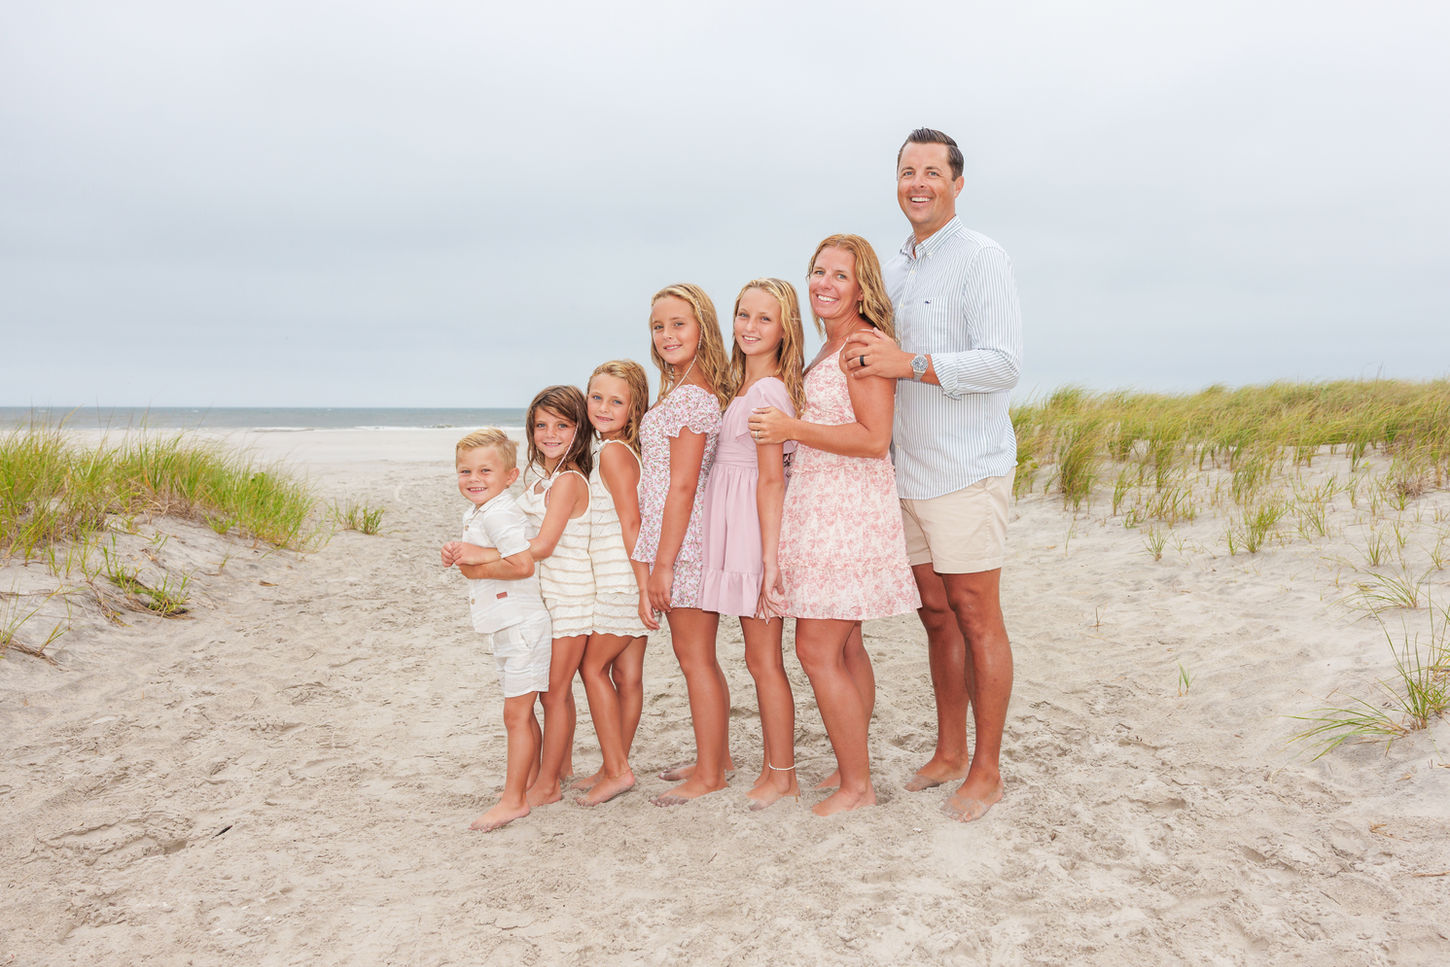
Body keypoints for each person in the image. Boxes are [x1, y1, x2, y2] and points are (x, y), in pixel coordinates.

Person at [844, 127, 1023, 823]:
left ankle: (987, 769)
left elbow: (1003, 363)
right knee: (935, 614)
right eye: (907, 172)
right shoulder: (892, 269)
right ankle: (950, 751)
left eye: (932, 172)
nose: (918, 183)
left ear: (956, 183)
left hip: (966, 469)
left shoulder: (982, 258)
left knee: (976, 615)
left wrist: (910, 363)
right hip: (905, 472)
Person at [749, 235, 919, 817]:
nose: (824, 283)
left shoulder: (862, 345)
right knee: (845, 647)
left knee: (816, 647)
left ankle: (858, 786)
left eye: (839, 275)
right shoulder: (829, 346)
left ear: (862, 287)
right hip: (823, 505)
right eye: (818, 271)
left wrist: (791, 429)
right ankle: (853, 766)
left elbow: (874, 439)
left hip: (847, 509)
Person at [698, 278, 806, 810]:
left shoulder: (768, 392)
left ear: (785, 329)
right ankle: (769, 767)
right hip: (732, 523)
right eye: (744, 314)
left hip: (750, 530)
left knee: (764, 660)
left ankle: (782, 775)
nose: (750, 326)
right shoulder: (744, 385)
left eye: (765, 318)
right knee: (756, 658)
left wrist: (769, 559)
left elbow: (771, 478)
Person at [468, 386, 596, 806]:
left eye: (562, 425)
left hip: (569, 594)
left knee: (554, 692)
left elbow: (541, 546)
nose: (550, 434)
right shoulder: (542, 479)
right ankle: (558, 769)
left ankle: (548, 785)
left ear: (579, 429)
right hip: (545, 595)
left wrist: (480, 557)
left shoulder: (568, 479)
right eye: (541, 425)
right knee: (552, 692)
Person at [633, 283, 731, 806]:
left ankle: (711, 774)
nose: (667, 335)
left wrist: (663, 564)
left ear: (702, 329)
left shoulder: (692, 397)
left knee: (695, 659)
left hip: (685, 545)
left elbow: (684, 485)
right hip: (678, 539)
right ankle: (717, 757)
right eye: (658, 326)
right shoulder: (681, 389)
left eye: (678, 324)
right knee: (698, 657)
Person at [441, 428, 548, 832]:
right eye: (465, 471)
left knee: (515, 715)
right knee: (522, 713)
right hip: (505, 626)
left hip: (521, 626)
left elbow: (522, 564)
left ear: (510, 476)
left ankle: (513, 800)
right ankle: (531, 782)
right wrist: (458, 553)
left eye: (485, 470)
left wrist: (474, 561)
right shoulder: (479, 511)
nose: (474, 478)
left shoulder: (500, 512)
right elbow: (483, 558)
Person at [574, 360, 657, 807]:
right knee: (627, 676)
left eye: (616, 401)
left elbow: (631, 522)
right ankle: (614, 764)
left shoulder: (612, 454)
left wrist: (643, 588)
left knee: (592, 669)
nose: (603, 408)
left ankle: (618, 770)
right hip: (629, 576)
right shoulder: (620, 449)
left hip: (621, 579)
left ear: (635, 408)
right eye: (597, 397)